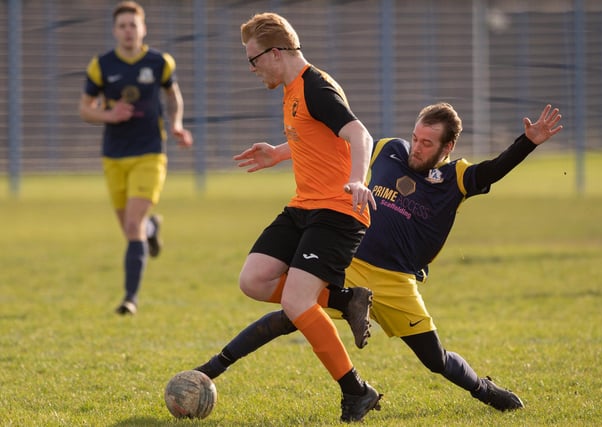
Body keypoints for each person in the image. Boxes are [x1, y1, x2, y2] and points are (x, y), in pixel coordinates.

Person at [195, 103, 563, 413]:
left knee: (434, 359)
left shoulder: (457, 177)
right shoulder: (388, 149)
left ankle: (484, 389)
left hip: (397, 281)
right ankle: (209, 370)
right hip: (350, 264)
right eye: (416, 138)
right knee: (292, 312)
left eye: (427, 143)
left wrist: (527, 143)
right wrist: (278, 151)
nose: (417, 148)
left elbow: (495, 170)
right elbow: (331, 146)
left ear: (447, 147)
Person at [225, 12, 383, 423]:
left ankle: (356, 391)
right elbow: (315, 135)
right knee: (254, 280)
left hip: (337, 210)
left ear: (276, 53)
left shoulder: (315, 86)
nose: (252, 68)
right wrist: (278, 152)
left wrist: (358, 182)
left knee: (296, 301)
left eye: (253, 59)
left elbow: (358, 134)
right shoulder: (292, 88)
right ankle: (345, 299)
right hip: (305, 206)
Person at [78, 1, 192, 315]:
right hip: (114, 156)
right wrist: (109, 114)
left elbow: (173, 95)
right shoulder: (101, 65)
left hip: (150, 153)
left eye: (134, 25)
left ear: (143, 29)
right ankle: (152, 229)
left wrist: (177, 124)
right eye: (123, 25)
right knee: (132, 228)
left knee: (131, 225)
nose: (128, 31)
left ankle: (130, 298)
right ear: (115, 31)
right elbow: (85, 109)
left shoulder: (159, 62)